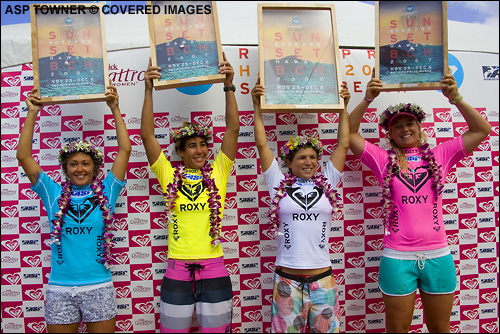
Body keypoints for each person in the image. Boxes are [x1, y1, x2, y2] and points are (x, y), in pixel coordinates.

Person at [348, 71, 491, 333]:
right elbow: (347, 133)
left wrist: (456, 98)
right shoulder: (382, 160)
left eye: (410, 124)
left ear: (419, 128)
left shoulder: (440, 155)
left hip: (438, 255)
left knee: (439, 327)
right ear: (389, 133)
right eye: (397, 126)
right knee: (398, 329)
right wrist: (367, 99)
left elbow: (482, 130)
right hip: (397, 257)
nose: (405, 129)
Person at [16, 81, 132, 333]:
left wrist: (114, 108)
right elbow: (24, 156)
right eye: (73, 164)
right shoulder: (52, 192)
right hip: (59, 288)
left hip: (98, 286)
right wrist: (33, 111)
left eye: (86, 163)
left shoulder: (108, 190)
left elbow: (125, 149)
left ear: (95, 167)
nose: (80, 169)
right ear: (65, 169)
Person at [140, 53, 239, 333]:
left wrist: (228, 85)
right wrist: (148, 89)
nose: (200, 151)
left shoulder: (218, 171)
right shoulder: (169, 174)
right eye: (192, 146)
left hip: (214, 269)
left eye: (203, 145)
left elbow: (233, 128)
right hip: (177, 270)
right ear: (180, 152)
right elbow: (147, 136)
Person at [251, 76, 350, 333]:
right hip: (287, 279)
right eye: (302, 157)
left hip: (322, 278)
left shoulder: (327, 179)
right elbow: (262, 143)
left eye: (314, 157)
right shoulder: (278, 181)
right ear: (289, 162)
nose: (309, 162)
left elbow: (343, 144)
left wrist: (344, 107)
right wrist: (257, 105)